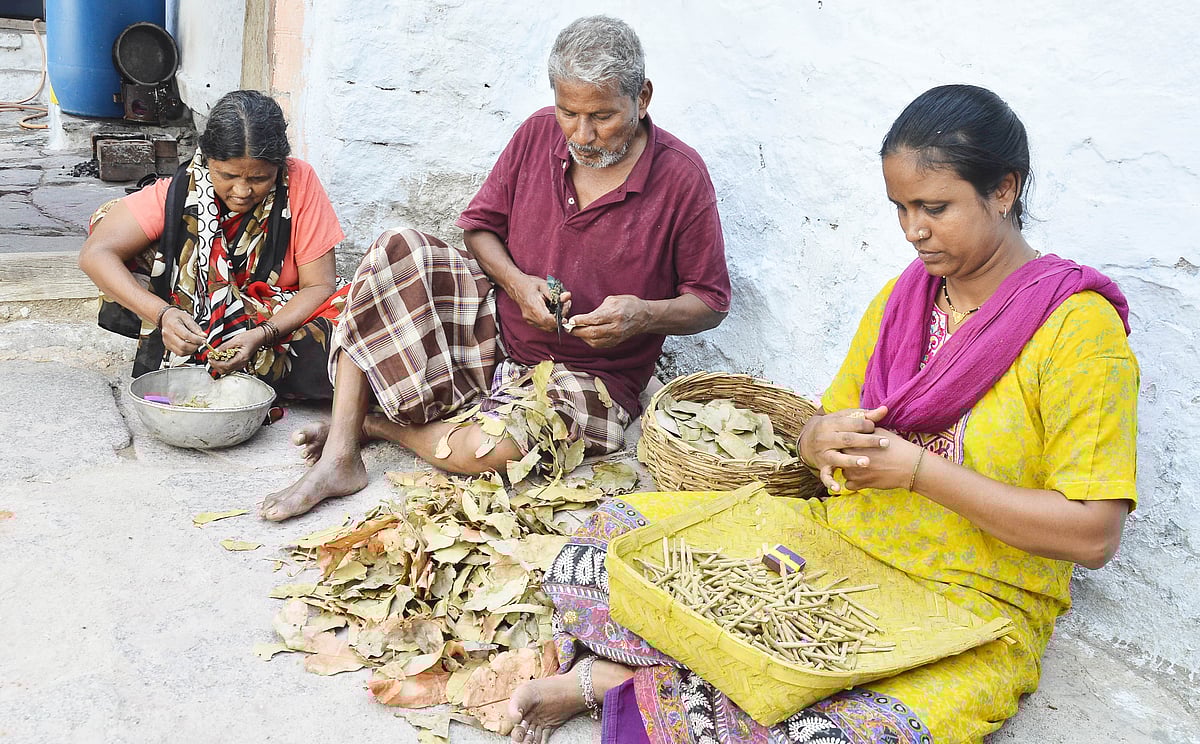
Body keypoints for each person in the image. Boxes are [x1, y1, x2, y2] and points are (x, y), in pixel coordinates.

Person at [507, 84, 1138, 744]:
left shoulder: (1076, 331)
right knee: (610, 540)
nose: (913, 230)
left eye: (935, 207)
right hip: (832, 548)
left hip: (971, 602)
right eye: (900, 208)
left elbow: (1092, 536)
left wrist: (919, 473)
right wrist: (818, 440)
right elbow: (822, 429)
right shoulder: (906, 297)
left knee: (825, 736)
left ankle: (621, 684)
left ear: (1004, 190)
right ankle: (658, 689)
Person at [260, 16, 731, 521]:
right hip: (499, 330)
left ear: (642, 98)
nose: (583, 134)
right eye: (568, 112)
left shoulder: (681, 177)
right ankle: (340, 458)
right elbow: (480, 229)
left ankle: (373, 426)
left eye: (603, 116)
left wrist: (644, 316)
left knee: (489, 452)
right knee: (394, 251)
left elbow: (710, 302)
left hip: (593, 377)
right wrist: (515, 283)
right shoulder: (536, 135)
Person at [80, 90, 346, 400]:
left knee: (351, 332)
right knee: (114, 229)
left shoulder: (299, 182)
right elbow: (95, 254)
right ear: (208, 160)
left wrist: (262, 335)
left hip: (278, 314)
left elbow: (319, 286)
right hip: (196, 314)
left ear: (279, 167)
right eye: (229, 176)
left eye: (260, 178)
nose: (242, 190)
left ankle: (240, 357)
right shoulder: (181, 193)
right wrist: (162, 314)